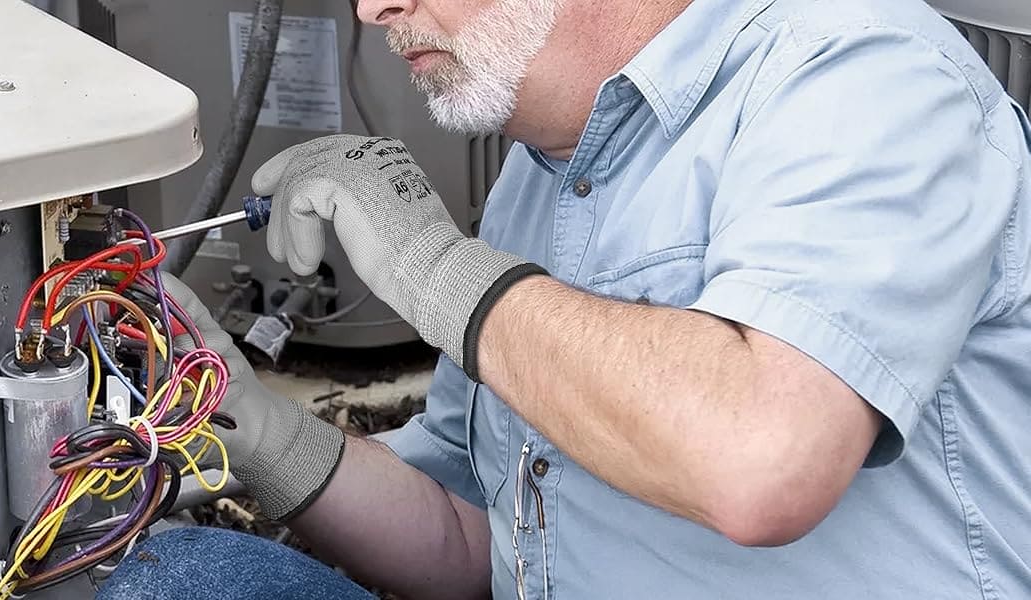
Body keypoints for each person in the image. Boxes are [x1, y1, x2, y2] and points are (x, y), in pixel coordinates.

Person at [99, 0, 1031, 597]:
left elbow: (763, 460)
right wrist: (254, 429)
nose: (372, 6)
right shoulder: (539, 175)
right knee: (164, 580)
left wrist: (432, 264)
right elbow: (475, 546)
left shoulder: (860, 76)